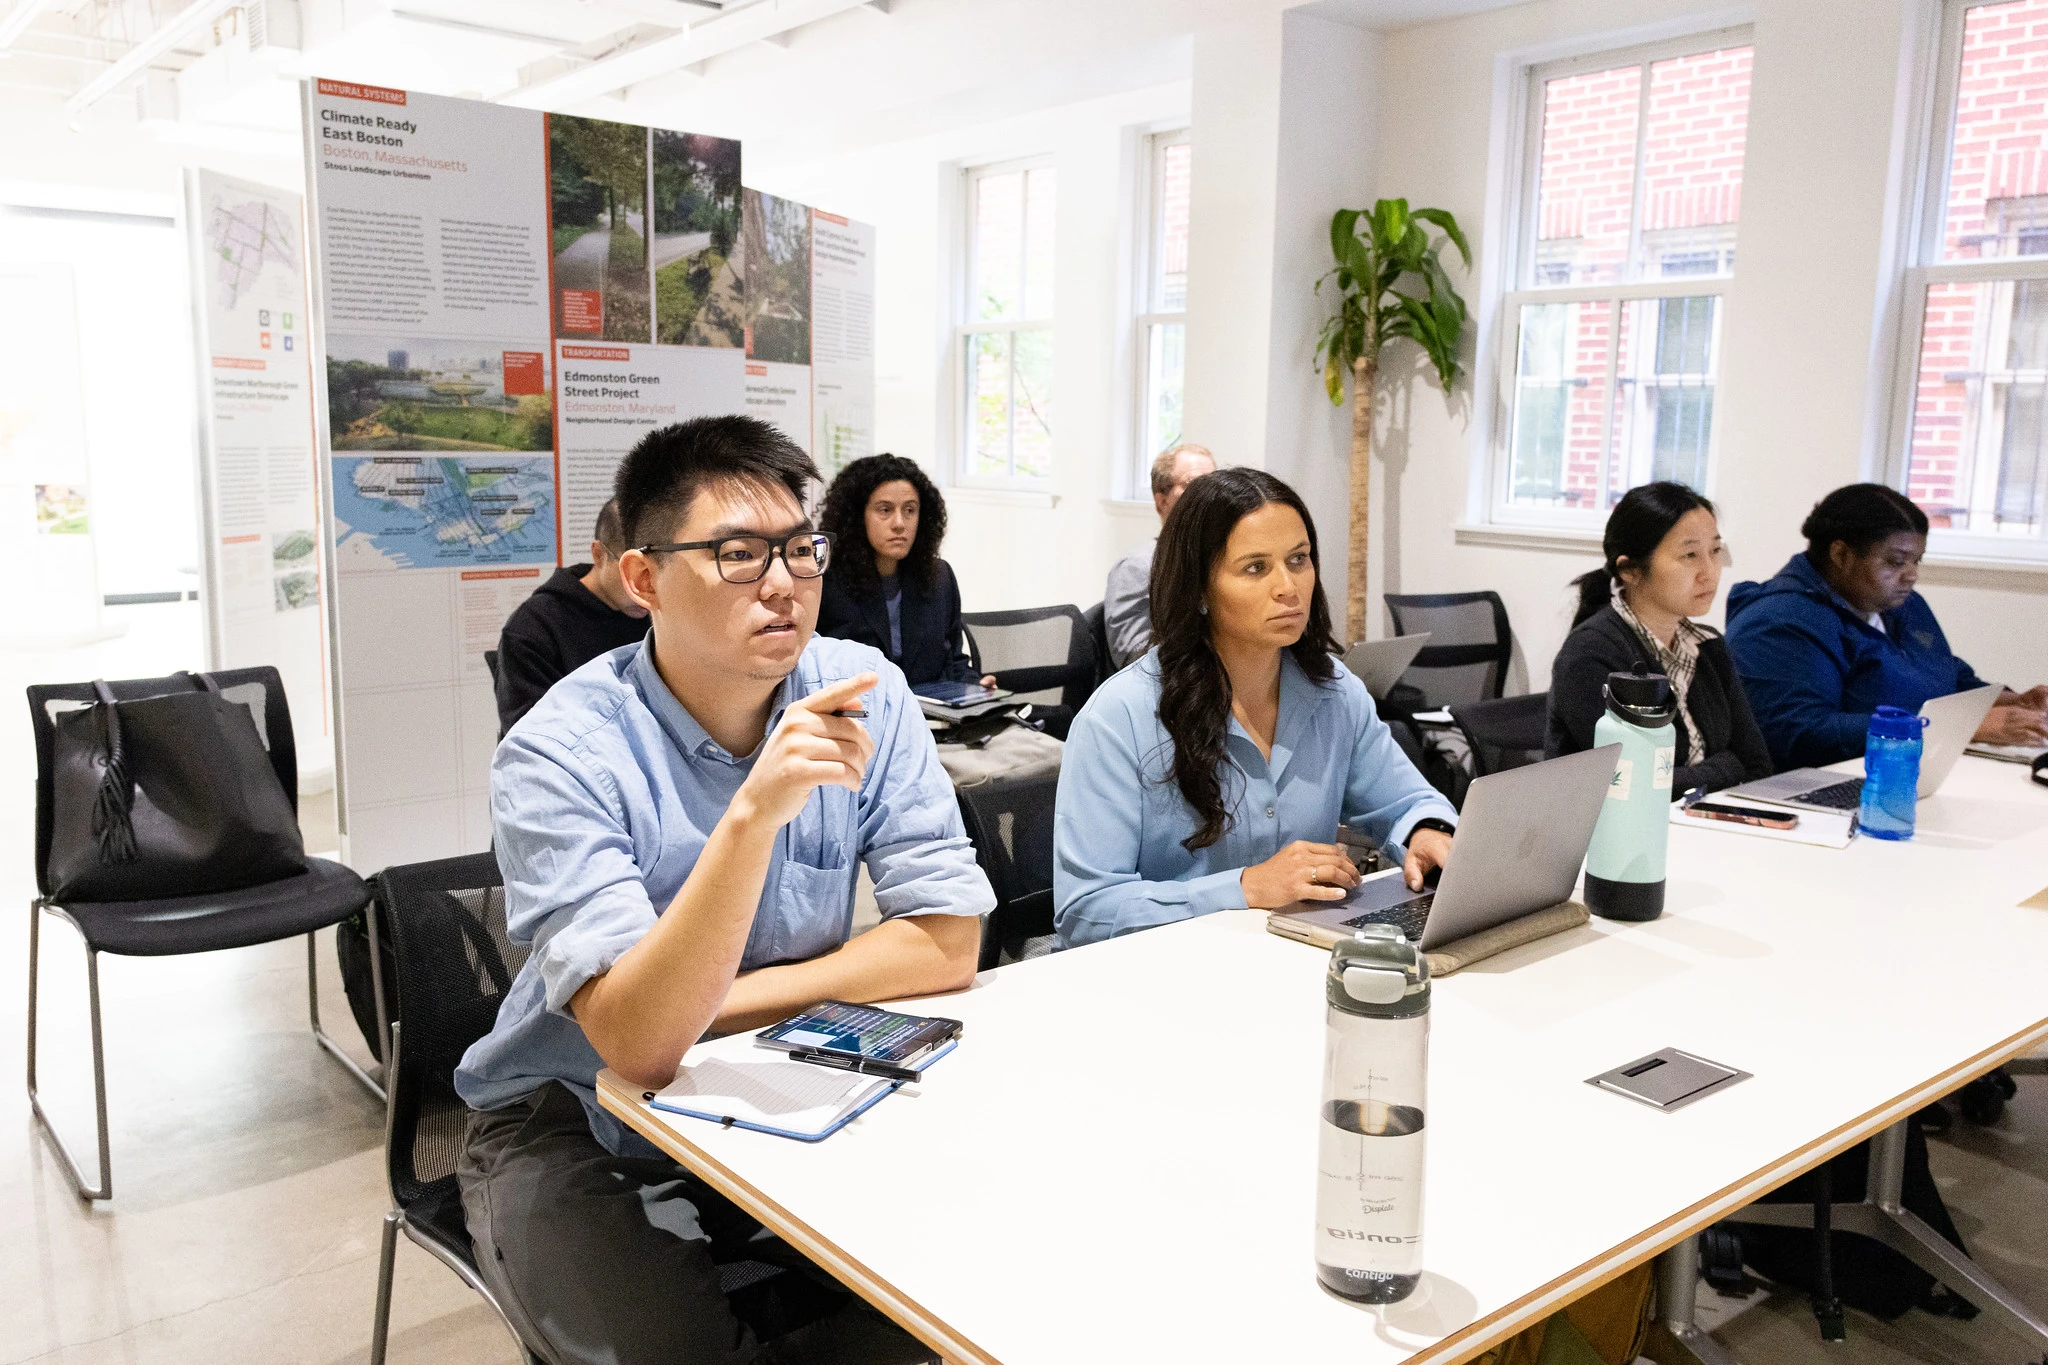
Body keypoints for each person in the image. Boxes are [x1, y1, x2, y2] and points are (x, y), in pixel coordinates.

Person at [454, 415, 990, 1365]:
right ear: (644, 578)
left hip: (789, 1069)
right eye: (738, 554)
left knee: (962, 1293)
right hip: (581, 1119)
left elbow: (947, 942)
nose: (782, 583)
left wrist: (720, 1006)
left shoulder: (866, 689)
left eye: (800, 549)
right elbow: (638, 1047)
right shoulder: (559, 752)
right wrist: (751, 818)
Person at [1053, 467, 1458, 949]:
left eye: (1299, 559)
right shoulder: (1119, 718)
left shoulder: (1333, 691)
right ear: (1199, 590)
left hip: (1286, 965)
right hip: (1160, 982)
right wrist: (1244, 888)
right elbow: (1086, 912)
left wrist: (1427, 832)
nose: (1288, 586)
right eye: (1255, 568)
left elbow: (1408, 801)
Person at [1726, 483, 2048, 770]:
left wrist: (2009, 701)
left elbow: (1948, 675)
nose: (1911, 575)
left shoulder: (1902, 604)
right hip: (1821, 791)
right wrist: (1957, 728)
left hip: (1904, 774)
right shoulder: (1781, 620)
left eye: (1916, 561)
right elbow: (1801, 733)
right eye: (1896, 562)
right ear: (1841, 554)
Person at [1546, 482, 1770, 795]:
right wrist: (1725, 767)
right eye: (1690, 555)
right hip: (1612, 836)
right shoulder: (1591, 654)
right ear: (1630, 570)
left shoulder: (1708, 646)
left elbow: (1756, 764)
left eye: (1715, 551)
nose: (1709, 571)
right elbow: (1631, 786)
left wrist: (1705, 774)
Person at [816, 454, 994, 689]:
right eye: (885, 510)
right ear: (858, 517)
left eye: (910, 510)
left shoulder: (940, 577)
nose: (900, 523)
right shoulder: (825, 580)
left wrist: (975, 686)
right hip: (859, 715)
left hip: (932, 717)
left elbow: (953, 661)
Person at [493, 497, 650, 736]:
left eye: (657, 571)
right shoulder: (532, 629)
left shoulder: (665, 612)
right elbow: (531, 740)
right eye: (631, 571)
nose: (646, 587)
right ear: (599, 555)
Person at [1104, 442, 1217, 669]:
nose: (1209, 495)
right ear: (1162, 501)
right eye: (1194, 484)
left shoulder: (1223, 560)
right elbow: (1133, 658)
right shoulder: (1137, 568)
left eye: (1213, 484)